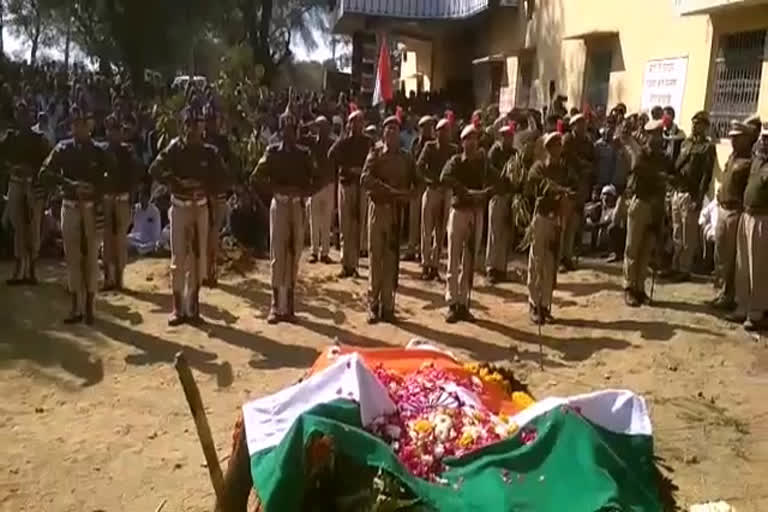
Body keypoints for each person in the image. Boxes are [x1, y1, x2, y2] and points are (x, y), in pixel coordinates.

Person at [149, 106, 224, 326]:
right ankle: (178, 308)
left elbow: (224, 178)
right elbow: (155, 168)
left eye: (196, 124)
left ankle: (194, 306)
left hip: (200, 207)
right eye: (188, 124)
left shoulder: (210, 152)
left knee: (198, 258)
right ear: (183, 126)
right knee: (178, 258)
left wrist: (205, 188)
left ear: (202, 127)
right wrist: (175, 182)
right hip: (180, 206)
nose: (192, 129)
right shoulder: (175, 148)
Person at [39, 106, 112, 324]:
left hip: (91, 208)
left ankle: (89, 306)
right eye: (74, 123)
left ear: (89, 125)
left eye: (82, 123)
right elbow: (44, 173)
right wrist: (69, 184)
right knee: (71, 258)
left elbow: (113, 174)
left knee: (90, 256)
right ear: (71, 125)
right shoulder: (63, 148)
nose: (78, 127)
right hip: (70, 206)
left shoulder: (99, 150)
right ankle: (75, 307)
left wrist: (95, 188)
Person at [251, 105, 316, 324]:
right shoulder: (272, 153)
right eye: (286, 129)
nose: (289, 132)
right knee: (278, 254)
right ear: (280, 131)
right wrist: (275, 189)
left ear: (297, 131)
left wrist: (302, 192)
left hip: (297, 205)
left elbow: (316, 179)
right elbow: (256, 177)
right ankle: (274, 304)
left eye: (293, 128)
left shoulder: (304, 154)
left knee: (294, 254)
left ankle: (289, 306)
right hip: (279, 204)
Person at [361, 115, 419, 323]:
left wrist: (409, 196)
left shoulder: (407, 158)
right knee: (376, 257)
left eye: (395, 128)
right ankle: (373, 304)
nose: (391, 132)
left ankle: (388, 305)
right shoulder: (375, 153)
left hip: (396, 212)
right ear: (383, 132)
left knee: (392, 259)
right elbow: (365, 178)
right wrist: (387, 190)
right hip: (378, 209)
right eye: (388, 128)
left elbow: (418, 182)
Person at [440, 124, 493, 323]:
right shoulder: (455, 161)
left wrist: (485, 193)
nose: (472, 141)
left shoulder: (483, 163)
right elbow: (444, 177)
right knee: (453, 259)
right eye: (468, 138)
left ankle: (464, 303)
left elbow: (495, 181)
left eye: (475, 138)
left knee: (469, 260)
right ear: (462, 142)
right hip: (459, 211)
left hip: (476, 212)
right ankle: (452, 302)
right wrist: (465, 191)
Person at [623, 119, 674, 307]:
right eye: (654, 134)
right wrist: (659, 177)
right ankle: (629, 287)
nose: (657, 138)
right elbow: (637, 168)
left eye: (660, 134)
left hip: (656, 206)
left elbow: (670, 174)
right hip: (641, 202)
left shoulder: (664, 158)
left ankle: (639, 288)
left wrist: (665, 179)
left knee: (646, 250)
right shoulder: (641, 153)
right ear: (647, 135)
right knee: (632, 248)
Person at [1, 100, 51, 286]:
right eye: (19, 113)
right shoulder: (10, 138)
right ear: (16, 115)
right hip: (15, 183)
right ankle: (19, 269)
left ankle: (31, 270)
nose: (22, 117)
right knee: (18, 228)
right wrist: (12, 168)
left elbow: (48, 163)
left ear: (31, 116)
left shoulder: (39, 139)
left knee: (34, 226)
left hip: (33, 185)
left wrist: (36, 175)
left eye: (26, 113)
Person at [525, 132, 572, 324]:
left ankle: (545, 304)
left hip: (557, 217)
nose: (557, 149)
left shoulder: (563, 169)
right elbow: (537, 182)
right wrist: (557, 189)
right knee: (537, 262)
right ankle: (534, 303)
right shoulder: (539, 167)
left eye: (559, 145)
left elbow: (573, 184)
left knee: (551, 264)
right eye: (553, 146)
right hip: (542, 217)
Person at [709, 121, 753, 311]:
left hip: (736, 212)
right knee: (720, 253)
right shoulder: (733, 157)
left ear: (746, 139)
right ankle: (722, 291)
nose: (733, 141)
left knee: (731, 256)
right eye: (732, 137)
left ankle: (730, 294)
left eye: (737, 138)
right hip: (723, 209)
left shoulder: (749, 162)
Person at [669, 111, 716, 282]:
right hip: (678, 191)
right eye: (694, 123)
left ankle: (684, 269)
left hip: (691, 194)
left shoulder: (707, 147)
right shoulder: (685, 143)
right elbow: (676, 166)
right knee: (677, 232)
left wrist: (699, 197)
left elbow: (706, 175)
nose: (695, 126)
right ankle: (675, 265)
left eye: (699, 124)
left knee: (688, 235)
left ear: (705, 127)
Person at [731, 125, 768, 331]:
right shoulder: (757, 160)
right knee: (742, 264)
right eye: (763, 138)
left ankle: (756, 312)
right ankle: (742, 305)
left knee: (758, 268)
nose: (764, 141)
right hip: (746, 215)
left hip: (763, 218)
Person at [101, 114, 143, 291]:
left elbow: (135, 175)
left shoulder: (128, 151)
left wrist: (132, 198)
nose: (114, 133)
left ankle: (119, 278)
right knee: (107, 240)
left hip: (122, 199)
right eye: (111, 129)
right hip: (106, 199)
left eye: (116, 129)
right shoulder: (102, 151)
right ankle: (108, 278)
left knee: (120, 240)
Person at [328, 110, 372, 278]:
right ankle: (345, 264)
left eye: (361, 122)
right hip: (346, 185)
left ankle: (354, 265)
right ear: (350, 124)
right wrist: (346, 168)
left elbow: (375, 157)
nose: (358, 125)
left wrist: (364, 170)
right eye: (355, 122)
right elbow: (331, 155)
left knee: (359, 226)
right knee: (346, 225)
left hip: (362, 186)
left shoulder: (368, 142)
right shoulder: (344, 142)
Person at [418, 118, 458, 281]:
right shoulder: (429, 147)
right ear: (437, 132)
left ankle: (434, 265)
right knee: (427, 230)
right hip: (432, 190)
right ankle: (426, 263)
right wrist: (431, 180)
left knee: (441, 231)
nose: (444, 134)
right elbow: (419, 166)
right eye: (442, 131)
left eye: (447, 131)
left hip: (446, 191)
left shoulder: (453, 149)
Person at [203, 105, 234, 287]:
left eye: (212, 119)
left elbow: (229, 167)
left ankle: (211, 271)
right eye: (207, 119)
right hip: (201, 194)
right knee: (201, 234)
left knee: (213, 234)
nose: (210, 123)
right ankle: (202, 271)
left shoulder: (223, 142)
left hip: (218, 194)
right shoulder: (199, 141)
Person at [561, 113, 595, 271]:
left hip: (581, 186)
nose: (582, 127)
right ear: (573, 125)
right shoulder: (568, 139)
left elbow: (593, 160)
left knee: (573, 224)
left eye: (583, 124)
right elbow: (568, 158)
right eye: (579, 124)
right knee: (563, 224)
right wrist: (583, 165)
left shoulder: (588, 142)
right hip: (568, 184)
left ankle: (567, 256)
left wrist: (587, 168)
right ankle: (560, 257)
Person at [485, 123, 516, 283]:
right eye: (506, 136)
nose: (509, 139)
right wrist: (505, 175)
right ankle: (491, 267)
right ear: (501, 137)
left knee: (505, 233)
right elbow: (490, 172)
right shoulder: (494, 152)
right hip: (497, 195)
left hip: (509, 196)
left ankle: (501, 268)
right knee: (494, 233)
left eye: (511, 136)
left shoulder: (514, 153)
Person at [404, 116, 435, 262]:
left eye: (429, 126)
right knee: (414, 219)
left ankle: (424, 252)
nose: (427, 129)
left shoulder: (434, 144)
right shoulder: (416, 142)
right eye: (424, 126)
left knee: (427, 223)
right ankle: (411, 248)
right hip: (416, 185)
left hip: (429, 186)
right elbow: (411, 160)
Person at [307, 116, 336, 264]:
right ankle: (314, 251)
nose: (321, 130)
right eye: (319, 127)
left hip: (328, 185)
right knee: (314, 220)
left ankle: (324, 252)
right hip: (315, 186)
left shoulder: (332, 143)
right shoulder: (312, 142)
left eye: (323, 127)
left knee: (326, 221)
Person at [128, 185, 162, 256]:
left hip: (149, 239)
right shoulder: (136, 208)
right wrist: (131, 213)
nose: (141, 198)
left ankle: (141, 250)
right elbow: (130, 225)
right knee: (124, 240)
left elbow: (156, 233)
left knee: (153, 245)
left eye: (143, 196)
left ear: (148, 198)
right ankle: (139, 249)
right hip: (135, 238)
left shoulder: (154, 211)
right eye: (140, 196)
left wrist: (153, 243)